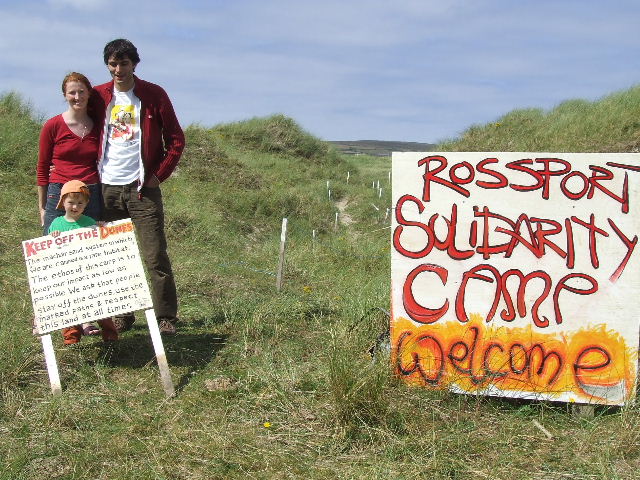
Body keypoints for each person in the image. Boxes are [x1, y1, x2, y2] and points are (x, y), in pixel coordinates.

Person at [91, 38, 185, 335]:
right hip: (106, 188)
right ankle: (122, 315)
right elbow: (82, 134)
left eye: (123, 63)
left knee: (155, 254)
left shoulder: (153, 95)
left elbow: (176, 140)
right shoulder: (97, 96)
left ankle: (165, 317)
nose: (118, 69)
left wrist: (159, 175)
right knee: (116, 256)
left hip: (142, 188)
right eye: (112, 64)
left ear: (134, 64)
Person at [37, 72, 103, 337]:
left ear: (89, 93)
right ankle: (44, 315)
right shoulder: (53, 125)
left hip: (91, 192)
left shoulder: (99, 125)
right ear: (64, 95)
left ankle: (86, 319)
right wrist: (42, 207)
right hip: (58, 193)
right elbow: (42, 167)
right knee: (50, 256)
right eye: (71, 92)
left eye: (81, 91)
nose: (77, 97)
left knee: (88, 257)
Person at [48, 180, 118, 345]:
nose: (75, 206)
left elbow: (100, 244)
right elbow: (48, 250)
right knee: (69, 306)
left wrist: (102, 229)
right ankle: (71, 338)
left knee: (101, 303)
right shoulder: (56, 224)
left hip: (89, 273)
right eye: (71, 202)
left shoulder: (89, 223)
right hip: (67, 274)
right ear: (62, 202)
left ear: (86, 203)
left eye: (80, 203)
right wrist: (53, 238)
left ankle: (110, 335)